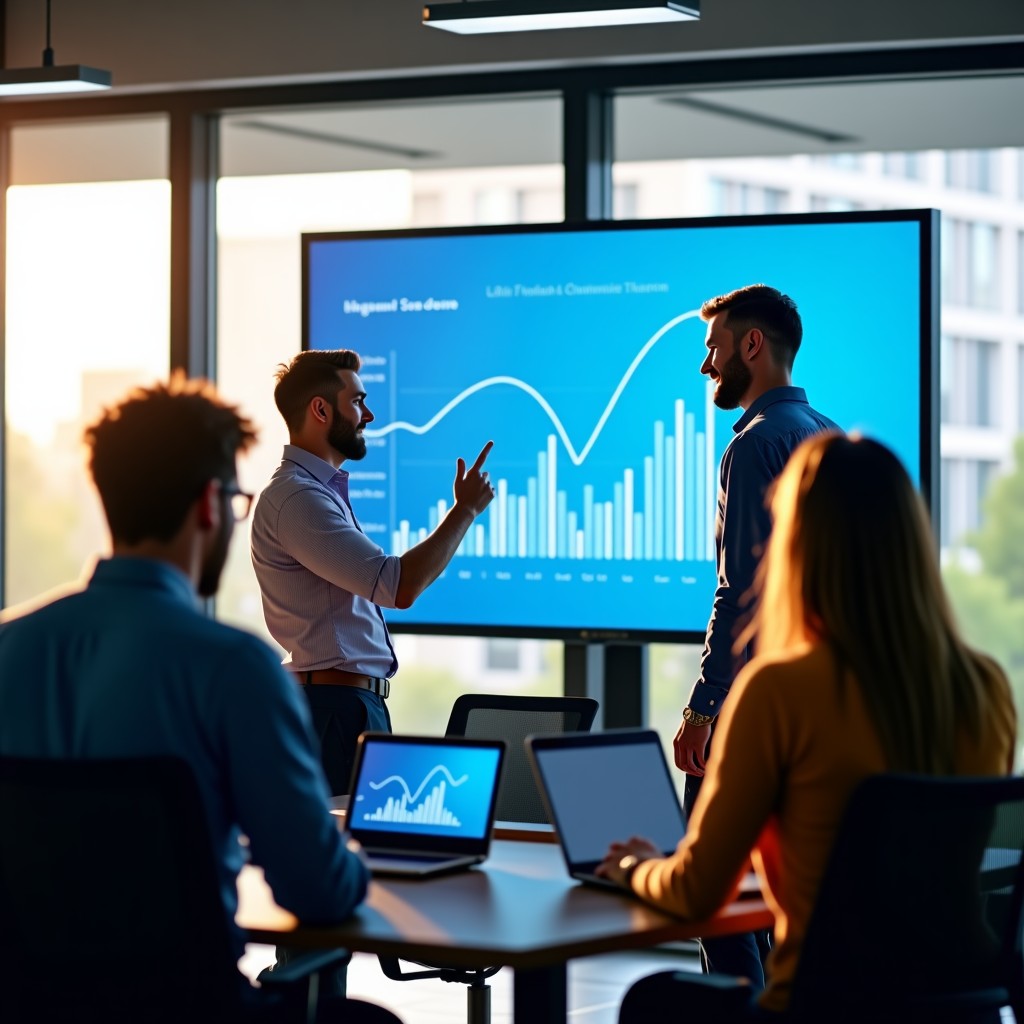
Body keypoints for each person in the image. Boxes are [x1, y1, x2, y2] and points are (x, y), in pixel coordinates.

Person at [0, 375, 400, 1023]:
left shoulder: (8, 648)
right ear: (211, 505)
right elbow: (318, 890)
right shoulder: (233, 668)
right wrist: (356, 852)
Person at [597, 433, 1017, 1022]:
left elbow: (696, 892)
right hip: (962, 1007)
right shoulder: (985, 687)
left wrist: (634, 866)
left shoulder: (779, 691)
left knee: (654, 1002)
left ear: (797, 547)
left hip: (825, 1008)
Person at [672, 284, 839, 982]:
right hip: (820, 704)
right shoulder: (825, 436)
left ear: (752, 346)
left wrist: (702, 710)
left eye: (714, 349)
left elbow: (738, 593)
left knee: (712, 885)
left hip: (756, 706)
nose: (707, 367)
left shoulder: (755, 444)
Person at [251, 349, 494, 796]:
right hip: (334, 711)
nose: (370, 414)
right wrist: (465, 512)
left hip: (346, 705)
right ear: (321, 410)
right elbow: (397, 586)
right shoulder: (298, 500)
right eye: (358, 401)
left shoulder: (314, 493)